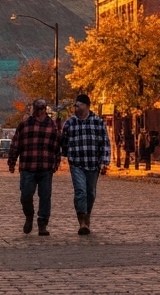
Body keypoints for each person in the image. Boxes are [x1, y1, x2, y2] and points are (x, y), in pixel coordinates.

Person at [7, 98, 62, 236]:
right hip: (28, 166)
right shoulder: (25, 125)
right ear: (34, 109)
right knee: (25, 195)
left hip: (45, 167)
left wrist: (56, 162)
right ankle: (29, 215)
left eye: (42, 108)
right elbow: (16, 144)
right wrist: (12, 161)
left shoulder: (52, 125)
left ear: (45, 108)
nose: (40, 111)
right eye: (38, 108)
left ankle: (42, 224)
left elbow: (56, 146)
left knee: (45, 197)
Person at [62, 93, 111, 235]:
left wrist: (105, 162)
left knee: (90, 193)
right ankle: (82, 221)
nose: (76, 108)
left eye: (79, 105)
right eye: (75, 106)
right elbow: (64, 141)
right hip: (76, 163)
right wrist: (66, 155)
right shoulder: (70, 123)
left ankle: (87, 215)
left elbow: (105, 143)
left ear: (87, 106)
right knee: (80, 192)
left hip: (93, 163)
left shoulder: (98, 122)